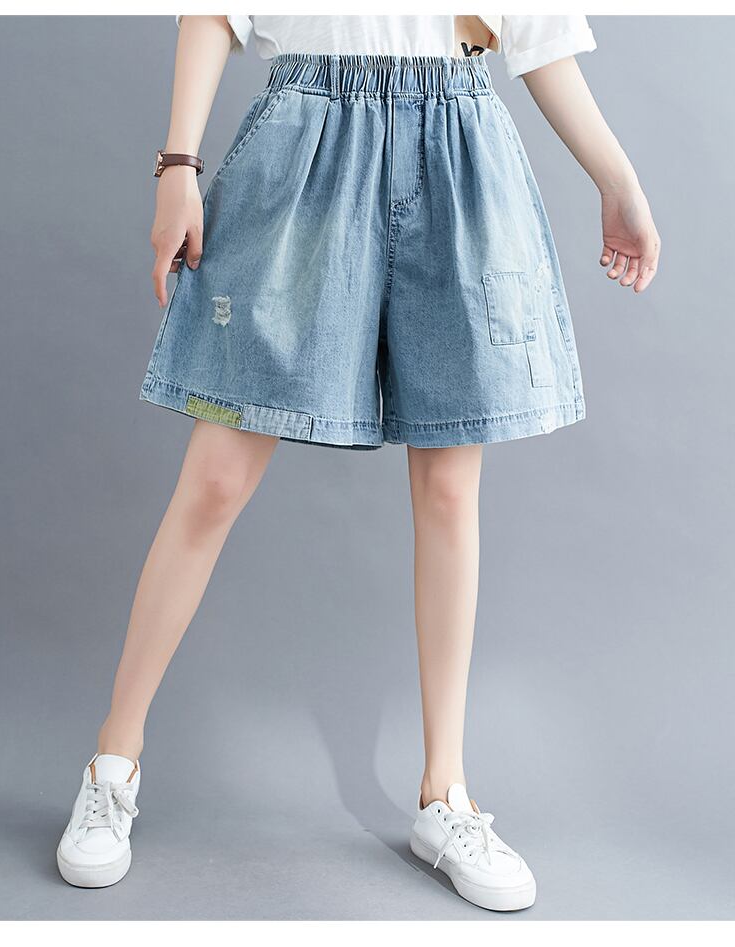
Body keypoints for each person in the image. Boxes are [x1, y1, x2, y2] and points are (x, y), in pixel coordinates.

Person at [56, 15, 660, 911]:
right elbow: (213, 9)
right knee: (217, 476)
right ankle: (114, 761)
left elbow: (536, 31)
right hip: (308, 134)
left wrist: (618, 179)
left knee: (450, 488)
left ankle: (446, 793)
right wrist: (177, 163)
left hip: (456, 138)